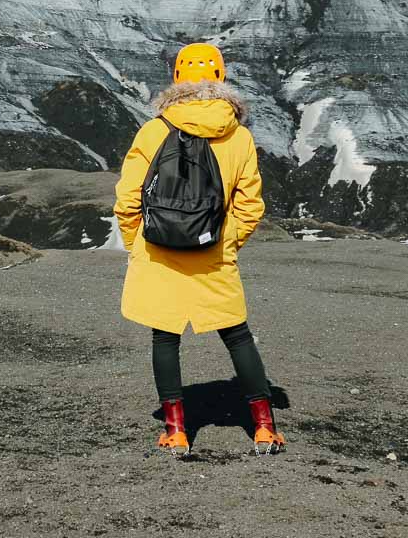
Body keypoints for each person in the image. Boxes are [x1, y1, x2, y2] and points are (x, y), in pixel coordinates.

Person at [113, 43, 285, 456]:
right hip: (214, 251)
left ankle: (176, 431)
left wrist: (138, 242)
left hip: (159, 251)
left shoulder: (154, 131)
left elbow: (128, 198)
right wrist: (228, 242)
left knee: (165, 337)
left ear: (177, 79)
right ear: (221, 78)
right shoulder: (239, 136)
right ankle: (263, 427)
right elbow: (250, 203)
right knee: (238, 336)